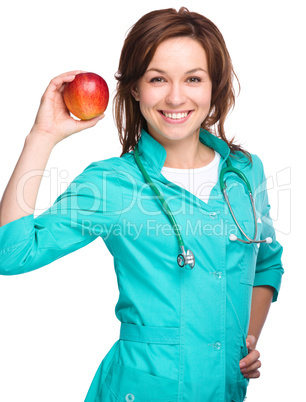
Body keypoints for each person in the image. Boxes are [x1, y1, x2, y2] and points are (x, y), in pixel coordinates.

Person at [0, 7, 284, 402]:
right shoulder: (112, 184)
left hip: (224, 389)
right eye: (157, 79)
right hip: (141, 389)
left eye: (193, 79)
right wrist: (42, 136)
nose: (175, 96)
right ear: (135, 88)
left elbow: (267, 261)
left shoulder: (245, 171)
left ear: (213, 86)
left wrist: (246, 338)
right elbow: (10, 254)